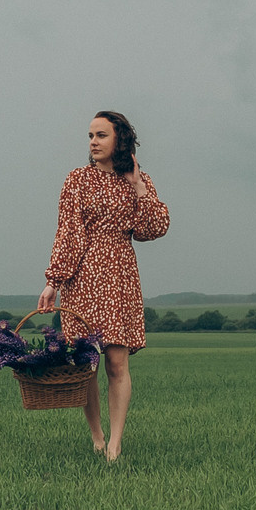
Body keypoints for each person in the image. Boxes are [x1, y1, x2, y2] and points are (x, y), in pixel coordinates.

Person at [39, 110, 169, 461]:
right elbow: (68, 232)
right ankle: (97, 436)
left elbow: (153, 229)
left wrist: (139, 187)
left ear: (119, 140)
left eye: (101, 135)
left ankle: (115, 443)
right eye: (90, 136)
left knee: (116, 363)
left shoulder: (138, 181)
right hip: (82, 277)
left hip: (121, 277)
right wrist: (54, 281)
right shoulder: (77, 180)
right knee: (86, 363)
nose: (93, 142)